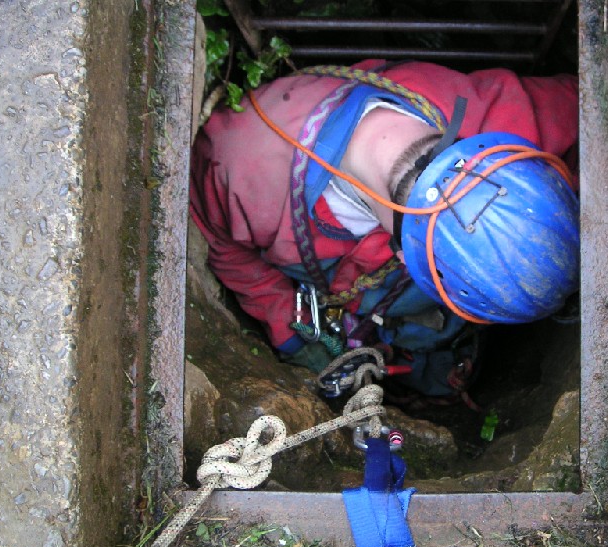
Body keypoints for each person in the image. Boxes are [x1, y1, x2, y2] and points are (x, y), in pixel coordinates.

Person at [189, 59, 580, 402]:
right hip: (343, 292)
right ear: (404, 257)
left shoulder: (516, 116)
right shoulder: (240, 170)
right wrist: (288, 324)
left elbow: (593, 107)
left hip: (393, 303)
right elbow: (224, 246)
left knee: (433, 340)